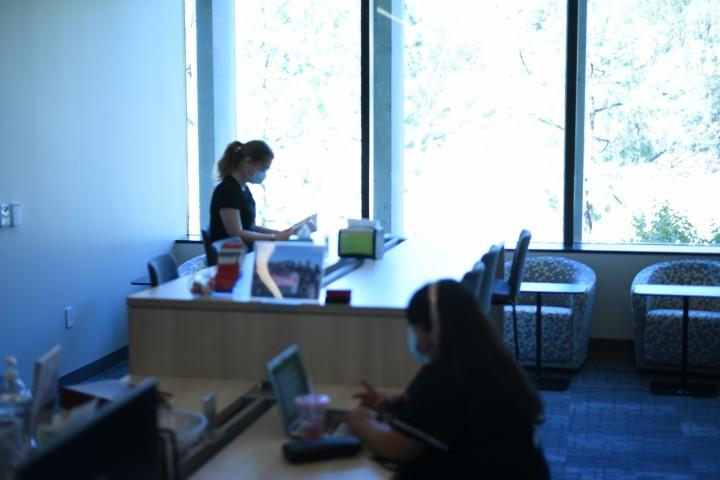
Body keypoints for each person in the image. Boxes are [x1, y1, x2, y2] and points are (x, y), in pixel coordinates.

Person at [345, 279, 550, 479]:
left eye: (414, 327)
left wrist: (361, 421)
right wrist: (396, 407)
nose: (413, 336)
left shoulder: (447, 376)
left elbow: (394, 447)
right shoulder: (487, 361)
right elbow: (445, 417)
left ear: (433, 330)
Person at [209, 140, 295, 246]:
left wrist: (279, 233)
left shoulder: (244, 190)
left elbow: (251, 227)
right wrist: (274, 238)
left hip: (242, 251)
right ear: (248, 162)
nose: (264, 174)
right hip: (228, 256)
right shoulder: (227, 190)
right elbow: (236, 233)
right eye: (263, 168)